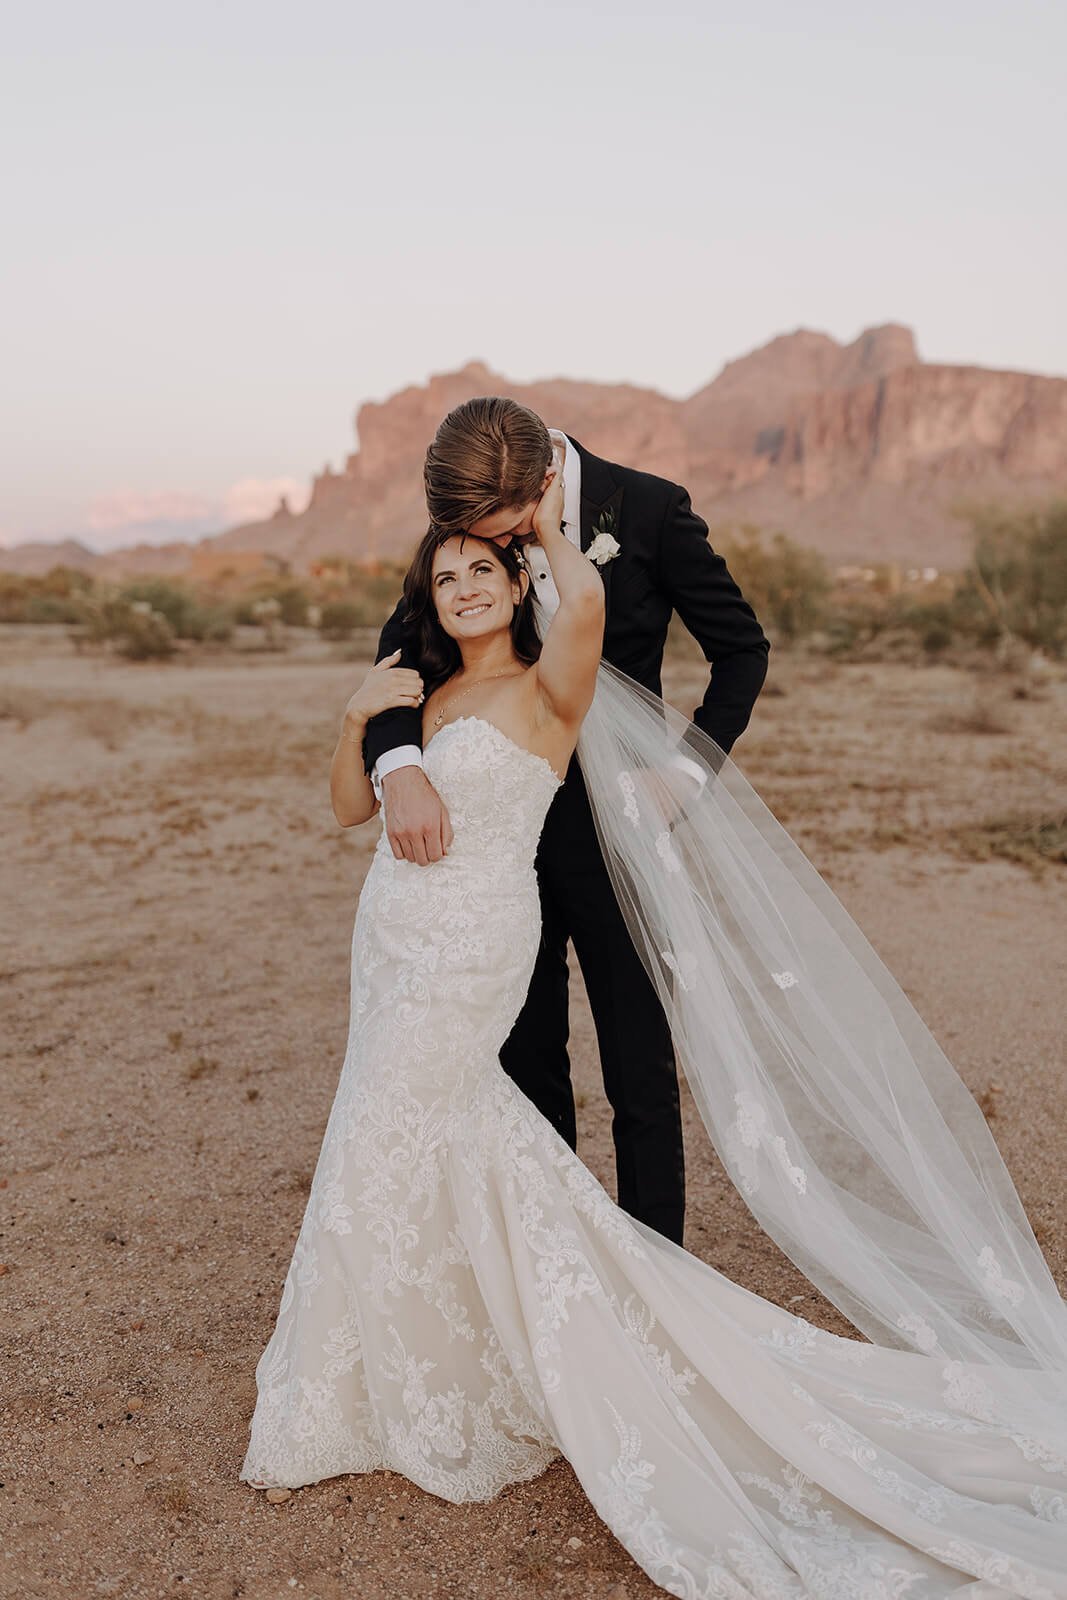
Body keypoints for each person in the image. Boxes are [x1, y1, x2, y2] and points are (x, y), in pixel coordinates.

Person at [239, 464, 1067, 1598]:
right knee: (408, 1124)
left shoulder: (550, 679)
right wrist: (364, 731)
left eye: (486, 565)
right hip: (392, 942)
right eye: (447, 572)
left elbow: (604, 612)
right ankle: (401, 1354)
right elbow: (350, 799)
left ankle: (598, 1308)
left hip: (505, 913)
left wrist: (542, 535)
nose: (464, 584)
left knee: (501, 1099)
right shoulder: (419, 694)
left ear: (518, 553)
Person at [362, 397, 771, 1246]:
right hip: (495, 838)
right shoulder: (472, 511)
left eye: (507, 527)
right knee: (518, 1052)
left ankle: (658, 1268)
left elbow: (742, 648)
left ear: (542, 481)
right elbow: (398, 654)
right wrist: (399, 769)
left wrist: (685, 769)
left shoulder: (649, 507)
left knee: (638, 1064)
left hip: (615, 828)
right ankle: (548, 1262)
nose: (496, 546)